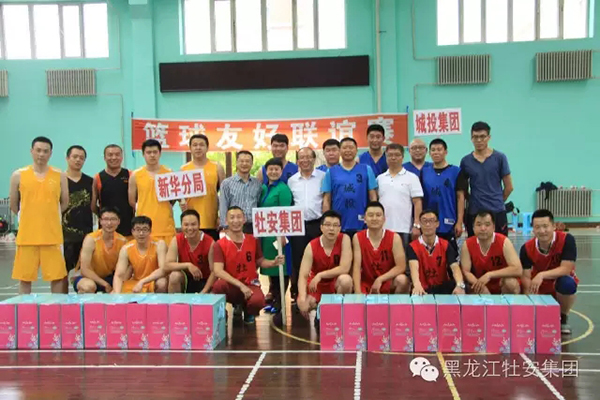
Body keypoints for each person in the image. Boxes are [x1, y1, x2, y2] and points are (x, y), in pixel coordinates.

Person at [10, 137, 69, 294]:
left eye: (45, 151)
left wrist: (49, 215)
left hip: (52, 236)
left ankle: (56, 307)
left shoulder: (60, 175)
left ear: (50, 153)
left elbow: (64, 203)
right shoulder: (18, 175)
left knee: (57, 277)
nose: (41, 154)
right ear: (31, 151)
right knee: (24, 278)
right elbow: (14, 205)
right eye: (38, 150)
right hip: (27, 237)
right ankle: (24, 308)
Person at [211, 206, 285, 324]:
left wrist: (273, 262)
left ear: (244, 219)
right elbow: (218, 271)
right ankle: (223, 313)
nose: (236, 221)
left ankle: (248, 311)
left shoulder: (253, 240)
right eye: (232, 217)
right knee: (218, 287)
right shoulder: (219, 244)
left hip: (250, 283)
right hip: (232, 285)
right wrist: (240, 285)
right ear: (226, 221)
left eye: (239, 217)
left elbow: (260, 261)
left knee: (258, 301)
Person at [520, 209, 578, 334]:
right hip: (538, 286)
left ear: (553, 226)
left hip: (558, 282)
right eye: (537, 227)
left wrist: (542, 274)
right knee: (518, 286)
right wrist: (531, 296)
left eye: (545, 226)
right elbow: (525, 276)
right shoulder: (526, 248)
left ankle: (563, 318)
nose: (542, 231)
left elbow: (566, 269)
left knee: (567, 283)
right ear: (533, 229)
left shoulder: (566, 240)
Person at [297, 211, 353, 321]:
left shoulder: (345, 239)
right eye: (328, 225)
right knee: (303, 304)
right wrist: (302, 297)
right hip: (316, 285)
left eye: (335, 225)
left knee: (346, 280)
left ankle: (336, 312)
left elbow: (345, 268)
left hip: (335, 282)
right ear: (321, 227)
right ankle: (320, 311)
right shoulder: (311, 246)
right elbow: (303, 275)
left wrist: (320, 275)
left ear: (340, 228)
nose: (331, 229)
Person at [460, 121, 513, 236]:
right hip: (475, 212)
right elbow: (463, 188)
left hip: (497, 211)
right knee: (474, 244)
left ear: (489, 137)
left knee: (500, 244)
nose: (479, 140)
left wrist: (497, 200)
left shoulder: (500, 158)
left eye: (482, 136)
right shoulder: (466, 161)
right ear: (471, 138)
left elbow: (509, 187)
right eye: (475, 137)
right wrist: (473, 200)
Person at [288, 147, 326, 302]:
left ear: (314, 159)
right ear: (297, 161)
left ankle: (319, 293)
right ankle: (298, 295)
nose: (305, 160)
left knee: (319, 259)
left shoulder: (323, 177)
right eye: (301, 157)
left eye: (308, 157)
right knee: (298, 260)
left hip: (318, 224)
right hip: (298, 225)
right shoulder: (292, 181)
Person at [322, 137, 378, 238]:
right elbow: (327, 199)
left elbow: (373, 197)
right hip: (338, 224)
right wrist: (327, 222)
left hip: (362, 223)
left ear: (356, 150)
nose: (348, 150)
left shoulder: (366, 169)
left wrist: (373, 217)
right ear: (339, 151)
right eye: (344, 148)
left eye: (351, 147)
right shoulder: (331, 172)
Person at [258, 158, 293, 311]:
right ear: (266, 171)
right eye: (270, 169)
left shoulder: (283, 189)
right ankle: (273, 300)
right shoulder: (263, 188)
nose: (273, 172)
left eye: (276, 169)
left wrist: (283, 235)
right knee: (270, 267)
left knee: (281, 268)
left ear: (281, 171)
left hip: (278, 234)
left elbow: (285, 213)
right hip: (266, 234)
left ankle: (280, 303)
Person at [352, 202, 409, 294]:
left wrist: (380, 279)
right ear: (365, 219)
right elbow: (356, 267)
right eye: (371, 215)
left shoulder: (394, 237)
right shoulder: (357, 237)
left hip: (387, 281)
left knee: (402, 280)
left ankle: (396, 303)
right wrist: (357, 293)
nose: (374, 218)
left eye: (378, 215)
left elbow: (401, 266)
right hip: (366, 282)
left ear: (384, 219)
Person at [460, 211, 522, 294]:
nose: (483, 228)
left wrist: (490, 275)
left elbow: (518, 269)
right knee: (471, 288)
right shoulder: (467, 244)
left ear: (493, 227)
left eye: (487, 224)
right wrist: (479, 284)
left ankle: (509, 302)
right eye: (479, 225)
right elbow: (466, 272)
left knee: (511, 283)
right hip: (482, 283)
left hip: (501, 284)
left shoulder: (504, 242)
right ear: (473, 228)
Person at [128, 139, 176, 244]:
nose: (152, 155)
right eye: (149, 152)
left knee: (167, 254)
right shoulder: (136, 175)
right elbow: (132, 201)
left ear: (160, 153)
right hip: (144, 226)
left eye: (155, 152)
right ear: (143, 154)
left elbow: (173, 198)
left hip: (165, 225)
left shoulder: (169, 173)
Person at [408, 210, 466, 295]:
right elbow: (414, 268)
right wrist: (417, 286)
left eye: (431, 221)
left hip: (442, 288)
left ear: (437, 224)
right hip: (423, 289)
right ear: (419, 224)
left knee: (458, 288)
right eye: (424, 221)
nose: (428, 224)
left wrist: (460, 285)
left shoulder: (445, 245)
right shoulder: (412, 246)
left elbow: (454, 266)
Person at [420, 138, 467, 244]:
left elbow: (460, 198)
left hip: (449, 221)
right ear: (429, 153)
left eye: (439, 149)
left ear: (445, 152)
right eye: (433, 150)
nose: (436, 152)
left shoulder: (456, 171)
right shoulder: (424, 172)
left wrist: (459, 222)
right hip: (429, 223)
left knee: (449, 251)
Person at [180, 134, 225, 241]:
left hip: (211, 220)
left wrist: (221, 216)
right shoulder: (184, 169)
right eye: (195, 145)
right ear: (190, 148)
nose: (198, 148)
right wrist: (181, 203)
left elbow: (224, 195)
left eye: (201, 145)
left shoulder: (217, 167)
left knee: (212, 250)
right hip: (191, 223)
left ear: (207, 147)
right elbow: (180, 194)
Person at [377, 144, 423, 247]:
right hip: (382, 229)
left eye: (397, 155)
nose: (393, 158)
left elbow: (417, 202)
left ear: (402, 157)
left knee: (403, 256)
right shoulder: (380, 178)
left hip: (404, 228)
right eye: (390, 155)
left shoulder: (412, 177)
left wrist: (417, 225)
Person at [73, 207, 128, 293]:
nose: (109, 223)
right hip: (89, 277)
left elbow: (126, 268)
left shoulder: (123, 241)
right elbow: (85, 269)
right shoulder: (91, 239)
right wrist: (104, 284)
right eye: (106, 219)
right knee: (88, 287)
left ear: (118, 221)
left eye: (113, 219)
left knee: (126, 287)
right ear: (100, 221)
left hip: (111, 277)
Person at [62, 145, 94, 292]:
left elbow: (94, 206)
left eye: (81, 158)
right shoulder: (59, 180)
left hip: (85, 236)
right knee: (61, 274)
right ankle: (61, 302)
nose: (78, 160)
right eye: (75, 157)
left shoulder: (90, 181)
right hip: (64, 236)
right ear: (67, 158)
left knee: (84, 274)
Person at [112, 216, 168, 294]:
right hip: (135, 281)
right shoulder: (126, 248)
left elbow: (163, 270)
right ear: (132, 231)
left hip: (153, 280)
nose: (141, 233)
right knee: (115, 292)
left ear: (150, 231)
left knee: (162, 283)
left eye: (145, 230)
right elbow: (119, 275)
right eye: (138, 230)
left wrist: (142, 282)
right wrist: (117, 295)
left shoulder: (159, 244)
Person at [165, 210, 215, 294]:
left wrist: (204, 292)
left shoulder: (210, 242)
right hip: (186, 279)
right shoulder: (177, 239)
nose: (190, 228)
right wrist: (188, 265)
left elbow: (214, 272)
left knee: (215, 289)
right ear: (181, 226)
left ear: (199, 225)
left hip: (205, 280)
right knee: (174, 276)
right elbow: (167, 265)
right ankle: (175, 302)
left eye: (193, 224)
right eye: (186, 225)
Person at [92, 144, 135, 238]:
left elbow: (136, 201)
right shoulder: (98, 177)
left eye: (117, 154)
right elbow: (93, 205)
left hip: (128, 226)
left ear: (122, 157)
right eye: (110, 155)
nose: (114, 157)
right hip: (106, 228)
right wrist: (103, 215)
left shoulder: (131, 175)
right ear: (104, 157)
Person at [219, 151, 262, 234]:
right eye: (241, 161)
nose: (244, 164)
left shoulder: (257, 183)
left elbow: (258, 203)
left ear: (252, 164)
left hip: (253, 226)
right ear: (237, 163)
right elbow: (223, 206)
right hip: (234, 225)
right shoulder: (227, 183)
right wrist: (225, 226)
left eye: (247, 161)